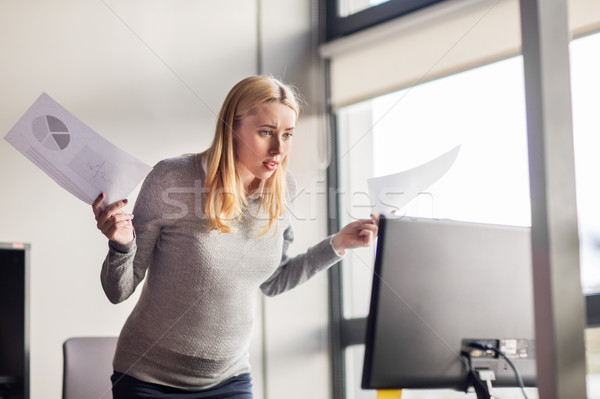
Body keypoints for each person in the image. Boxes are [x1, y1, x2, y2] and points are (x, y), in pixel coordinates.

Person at [92, 75, 378, 398]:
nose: (279, 149)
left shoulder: (283, 191)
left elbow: (273, 280)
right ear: (232, 127)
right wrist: (121, 244)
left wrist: (338, 244)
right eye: (266, 132)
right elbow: (118, 290)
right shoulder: (172, 179)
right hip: (148, 378)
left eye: (287, 135)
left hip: (230, 378)